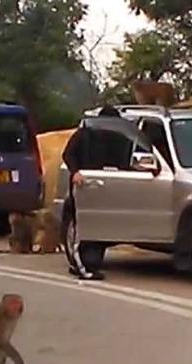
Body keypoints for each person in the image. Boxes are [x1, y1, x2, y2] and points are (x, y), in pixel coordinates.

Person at [61, 105, 130, 280]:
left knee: (98, 226)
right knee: (82, 227)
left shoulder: (120, 138)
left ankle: (90, 263)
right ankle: (82, 267)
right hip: (84, 185)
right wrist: (75, 172)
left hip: (106, 187)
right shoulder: (84, 134)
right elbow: (68, 154)